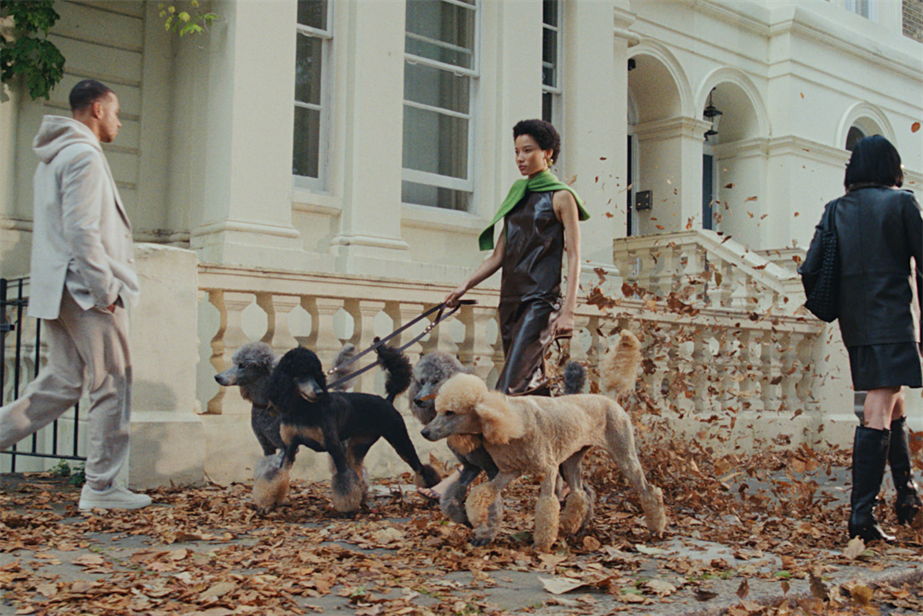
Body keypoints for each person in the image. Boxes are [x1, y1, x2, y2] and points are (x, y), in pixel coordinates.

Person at [419, 119, 589, 500]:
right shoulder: (516, 195)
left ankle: (463, 477)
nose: (521, 158)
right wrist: (465, 284)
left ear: (548, 153)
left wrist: (569, 311)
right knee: (537, 393)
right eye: (516, 151)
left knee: (504, 393)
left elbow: (576, 255)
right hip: (510, 302)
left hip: (541, 303)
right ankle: (564, 479)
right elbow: (499, 255)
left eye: (528, 150)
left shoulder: (563, 197)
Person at [0, 80, 150, 510]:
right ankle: (102, 489)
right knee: (112, 385)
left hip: (56, 288)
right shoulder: (84, 154)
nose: (119, 122)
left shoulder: (51, 158)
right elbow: (82, 230)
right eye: (117, 113)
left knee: (59, 385)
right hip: (86, 290)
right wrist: (104, 287)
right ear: (98, 109)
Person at [803, 135, 923, 542]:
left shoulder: (835, 209)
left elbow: (810, 267)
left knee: (892, 398)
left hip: (856, 322)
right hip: (891, 317)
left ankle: (907, 496)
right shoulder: (902, 202)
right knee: (878, 405)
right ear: (891, 165)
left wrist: (837, 303)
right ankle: (862, 519)